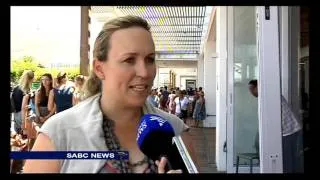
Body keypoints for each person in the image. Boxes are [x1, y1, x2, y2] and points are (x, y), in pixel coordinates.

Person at [23, 15, 188, 173]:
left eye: (150, 59)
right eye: (129, 60)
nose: (144, 72)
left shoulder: (176, 130)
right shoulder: (59, 133)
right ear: (99, 69)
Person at [248, 79, 303, 173]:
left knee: (287, 161)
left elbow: (271, 118)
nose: (251, 92)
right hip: (290, 130)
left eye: (252, 89)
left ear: (258, 87)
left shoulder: (269, 96)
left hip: (289, 130)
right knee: (290, 159)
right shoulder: (267, 95)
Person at [11, 70, 34, 135]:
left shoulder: (16, 88)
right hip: (23, 115)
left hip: (15, 114)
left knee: (18, 135)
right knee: (25, 136)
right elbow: (24, 107)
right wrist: (24, 123)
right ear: (31, 79)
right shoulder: (26, 90)